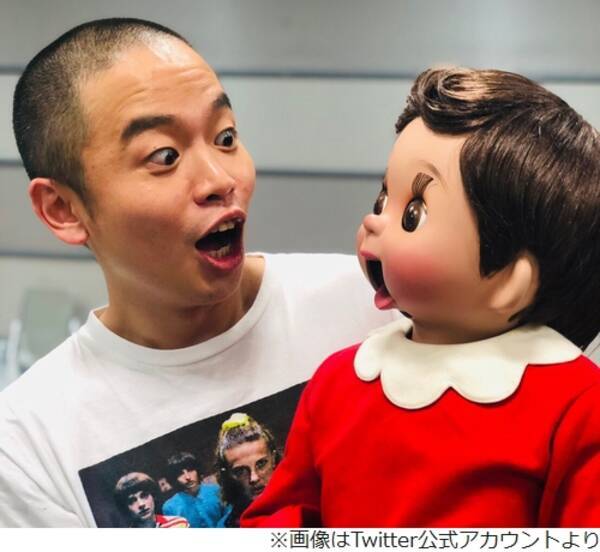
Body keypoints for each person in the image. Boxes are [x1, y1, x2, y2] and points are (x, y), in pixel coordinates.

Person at [0, 18, 395, 527]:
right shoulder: (28, 447)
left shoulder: (376, 306)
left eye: (225, 137)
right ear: (64, 209)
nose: (220, 179)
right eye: (164, 156)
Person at [242, 67, 600, 528]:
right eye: (383, 199)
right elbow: (284, 515)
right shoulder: (339, 381)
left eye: (413, 212)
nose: (374, 222)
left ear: (510, 281)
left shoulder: (575, 405)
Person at [214, 413, 280, 527]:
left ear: (273, 458)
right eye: (241, 471)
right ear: (228, 475)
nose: (254, 478)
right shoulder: (226, 528)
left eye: (261, 464)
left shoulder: (305, 503)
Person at [162, 452, 227, 528]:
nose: (187, 477)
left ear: (197, 470)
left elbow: (229, 517)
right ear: (174, 478)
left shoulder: (217, 491)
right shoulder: (170, 507)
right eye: (180, 474)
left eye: (190, 470)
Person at [113, 472, 189, 528]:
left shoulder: (178, 524)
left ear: (153, 496)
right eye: (132, 501)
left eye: (144, 495)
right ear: (125, 508)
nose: (141, 504)